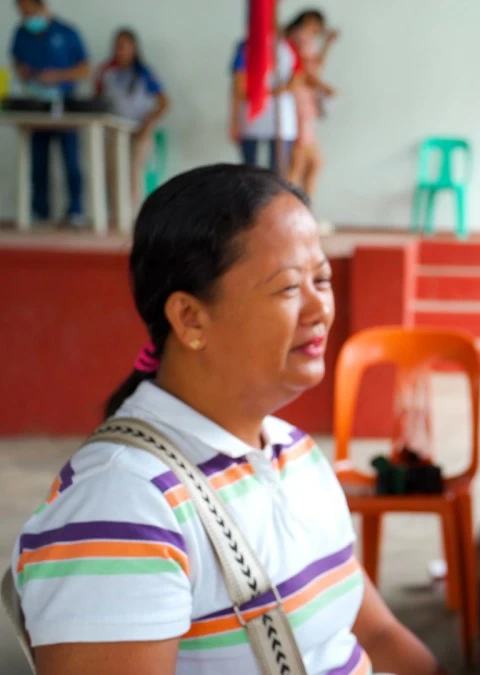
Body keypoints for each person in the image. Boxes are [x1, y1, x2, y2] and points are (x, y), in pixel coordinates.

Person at [11, 164, 444, 674]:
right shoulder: (124, 502)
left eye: (321, 279)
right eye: (287, 288)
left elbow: (374, 630)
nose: (319, 308)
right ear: (190, 318)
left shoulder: (294, 451)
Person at [8, 0, 88, 227]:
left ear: (41, 7)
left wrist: (55, 76)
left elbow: (84, 68)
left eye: (29, 12)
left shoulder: (67, 32)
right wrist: (22, 71)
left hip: (65, 106)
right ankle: (39, 210)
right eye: (21, 13)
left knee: (71, 161)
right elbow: (16, 60)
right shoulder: (21, 33)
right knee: (38, 161)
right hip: (36, 106)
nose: (26, 17)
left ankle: (75, 211)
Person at [95, 28, 169, 212]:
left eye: (125, 47)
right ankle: (115, 215)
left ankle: (135, 214)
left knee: (134, 173)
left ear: (134, 48)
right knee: (112, 173)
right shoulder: (106, 72)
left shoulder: (144, 73)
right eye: (118, 47)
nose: (121, 51)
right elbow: (97, 100)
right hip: (112, 131)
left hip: (138, 130)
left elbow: (164, 103)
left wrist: (148, 123)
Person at [284, 9, 337, 199]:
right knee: (298, 162)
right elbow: (305, 72)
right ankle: (293, 211)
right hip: (300, 101)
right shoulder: (300, 38)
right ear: (308, 20)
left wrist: (327, 44)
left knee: (311, 163)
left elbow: (315, 66)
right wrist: (326, 87)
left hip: (305, 101)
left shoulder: (302, 39)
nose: (318, 30)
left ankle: (304, 211)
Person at [230, 33, 300, 173]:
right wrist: (235, 121)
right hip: (251, 118)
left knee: (278, 173)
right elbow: (239, 87)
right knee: (250, 172)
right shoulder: (246, 47)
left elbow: (296, 81)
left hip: (282, 120)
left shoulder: (289, 46)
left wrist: (265, 92)